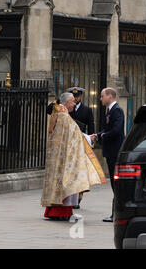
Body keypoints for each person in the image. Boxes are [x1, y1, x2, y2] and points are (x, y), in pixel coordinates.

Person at [41, 93, 106, 221]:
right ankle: (62, 212)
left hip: (60, 155)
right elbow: (74, 135)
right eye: (72, 101)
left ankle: (57, 211)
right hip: (65, 156)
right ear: (65, 103)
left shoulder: (60, 114)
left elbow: (73, 133)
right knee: (67, 181)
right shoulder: (64, 116)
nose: (75, 103)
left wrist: (88, 137)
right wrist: (89, 138)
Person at [90, 87, 125, 223]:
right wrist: (97, 135)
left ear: (110, 96)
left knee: (116, 184)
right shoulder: (110, 111)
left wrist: (102, 135)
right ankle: (115, 213)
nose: (100, 98)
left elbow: (116, 130)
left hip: (115, 152)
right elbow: (108, 129)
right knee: (114, 185)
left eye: (102, 96)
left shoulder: (117, 110)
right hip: (111, 152)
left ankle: (116, 214)